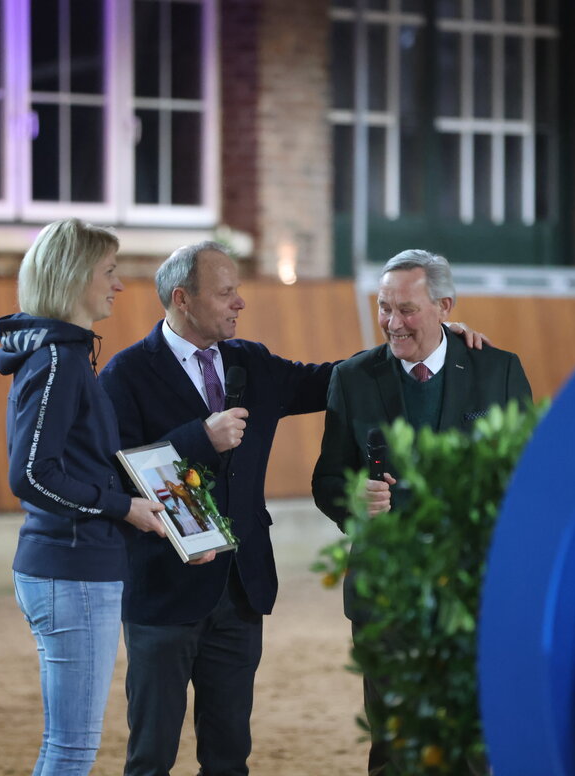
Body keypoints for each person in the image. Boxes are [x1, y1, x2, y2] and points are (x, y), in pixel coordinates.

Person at [99, 241, 488, 776]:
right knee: (151, 755)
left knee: (229, 756)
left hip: (241, 591)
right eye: (226, 293)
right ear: (183, 299)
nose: (240, 302)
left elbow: (336, 379)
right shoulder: (125, 374)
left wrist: (432, 344)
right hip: (164, 592)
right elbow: (114, 472)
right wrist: (199, 438)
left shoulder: (250, 361)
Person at [310, 248, 532, 775]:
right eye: (384, 307)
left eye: (407, 310)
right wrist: (353, 500)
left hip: (474, 592)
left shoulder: (498, 371)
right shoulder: (352, 377)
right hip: (386, 594)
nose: (392, 322)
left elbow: (526, 477)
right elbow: (326, 479)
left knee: (475, 741)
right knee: (394, 746)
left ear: (444, 307)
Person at [0, 218, 166, 776]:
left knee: (65, 744)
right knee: (71, 749)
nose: (119, 284)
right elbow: (31, 475)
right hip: (73, 570)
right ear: (73, 276)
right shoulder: (59, 362)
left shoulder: (62, 356)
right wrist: (122, 507)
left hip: (70, 567)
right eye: (109, 271)